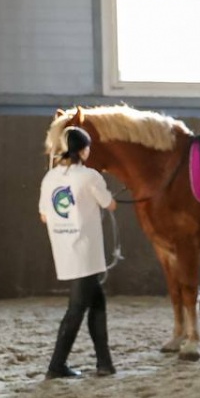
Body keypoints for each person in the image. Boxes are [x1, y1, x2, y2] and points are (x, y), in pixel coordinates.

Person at [38, 127, 118, 379]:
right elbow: (110, 204)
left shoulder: (50, 178)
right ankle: (56, 365)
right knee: (76, 309)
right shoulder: (89, 176)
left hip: (64, 246)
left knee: (97, 303)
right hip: (86, 249)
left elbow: (43, 215)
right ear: (83, 150)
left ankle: (104, 363)